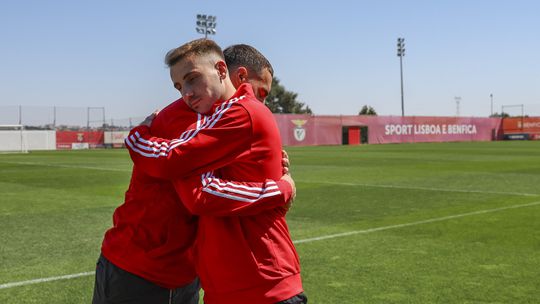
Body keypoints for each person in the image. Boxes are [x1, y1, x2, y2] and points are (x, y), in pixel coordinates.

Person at [92, 43, 296, 304]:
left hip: (185, 273)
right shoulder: (192, 116)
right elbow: (194, 189)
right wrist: (280, 189)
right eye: (260, 92)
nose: (258, 102)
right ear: (237, 76)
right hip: (139, 269)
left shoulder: (222, 116)